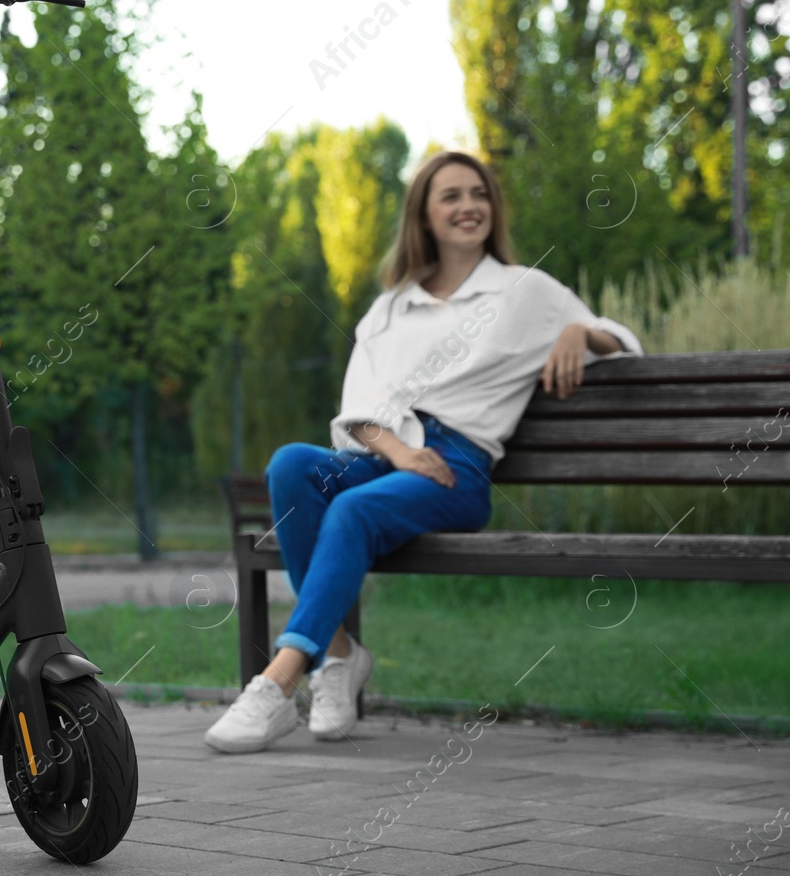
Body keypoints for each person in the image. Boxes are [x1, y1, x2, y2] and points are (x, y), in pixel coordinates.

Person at [204, 150, 644, 753]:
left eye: (479, 194)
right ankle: (338, 659)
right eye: (452, 197)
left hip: (456, 469)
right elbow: (360, 404)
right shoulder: (391, 307)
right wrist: (401, 453)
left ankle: (279, 682)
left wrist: (577, 331)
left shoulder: (525, 291)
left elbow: (623, 343)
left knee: (351, 512)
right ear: (425, 216)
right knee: (291, 465)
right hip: (389, 456)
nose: (469, 207)